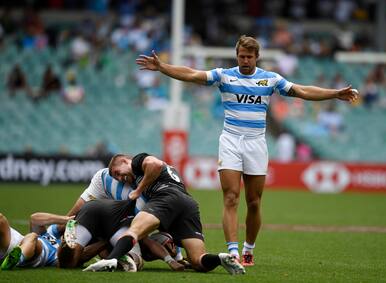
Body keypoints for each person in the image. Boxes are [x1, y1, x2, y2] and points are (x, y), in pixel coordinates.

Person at [135, 35, 359, 266]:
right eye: (241, 56)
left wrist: (334, 93)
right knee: (231, 198)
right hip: (231, 141)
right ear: (237, 55)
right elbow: (192, 74)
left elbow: (301, 90)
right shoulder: (225, 75)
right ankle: (232, 252)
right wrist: (162, 67)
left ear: (257, 57)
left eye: (249, 57)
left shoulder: (270, 80)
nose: (245, 60)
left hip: (256, 143)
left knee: (254, 202)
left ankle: (248, 249)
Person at [83, 153, 245, 275]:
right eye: (116, 178)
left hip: (166, 197)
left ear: (126, 161)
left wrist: (138, 191)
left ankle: (110, 260)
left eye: (118, 172)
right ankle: (221, 258)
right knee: (197, 260)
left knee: (134, 230)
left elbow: (156, 164)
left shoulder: (137, 162)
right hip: (187, 204)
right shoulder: (139, 176)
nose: (120, 178)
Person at [62, 198, 184, 272]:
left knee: (72, 263)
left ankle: (70, 244)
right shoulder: (137, 228)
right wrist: (170, 261)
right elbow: (150, 243)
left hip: (94, 209)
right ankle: (70, 245)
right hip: (111, 220)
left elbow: (151, 243)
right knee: (136, 261)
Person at [0, 212, 74, 270]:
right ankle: (14, 258)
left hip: (36, 256)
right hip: (21, 243)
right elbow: (34, 219)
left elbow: (67, 262)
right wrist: (65, 219)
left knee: (32, 236)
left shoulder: (59, 255)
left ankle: (15, 260)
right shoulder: (51, 235)